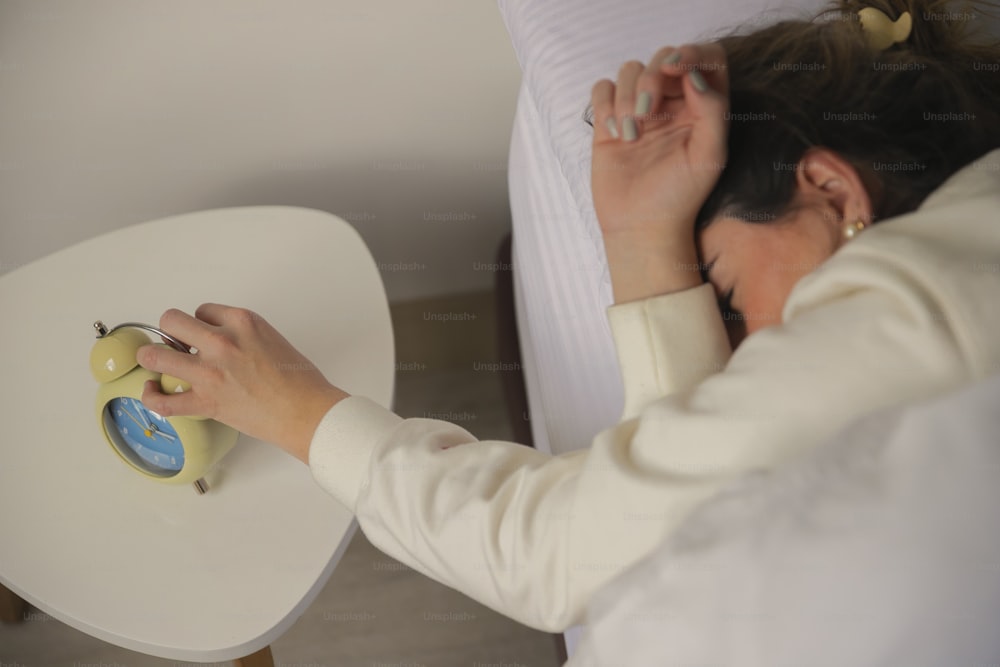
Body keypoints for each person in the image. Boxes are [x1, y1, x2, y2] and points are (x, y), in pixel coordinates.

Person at [135, 0, 1000, 639]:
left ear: (831, 190)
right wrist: (638, 240)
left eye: (729, 302)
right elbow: (677, 493)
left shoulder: (915, 309)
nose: (734, 365)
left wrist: (298, 409)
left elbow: (561, 550)